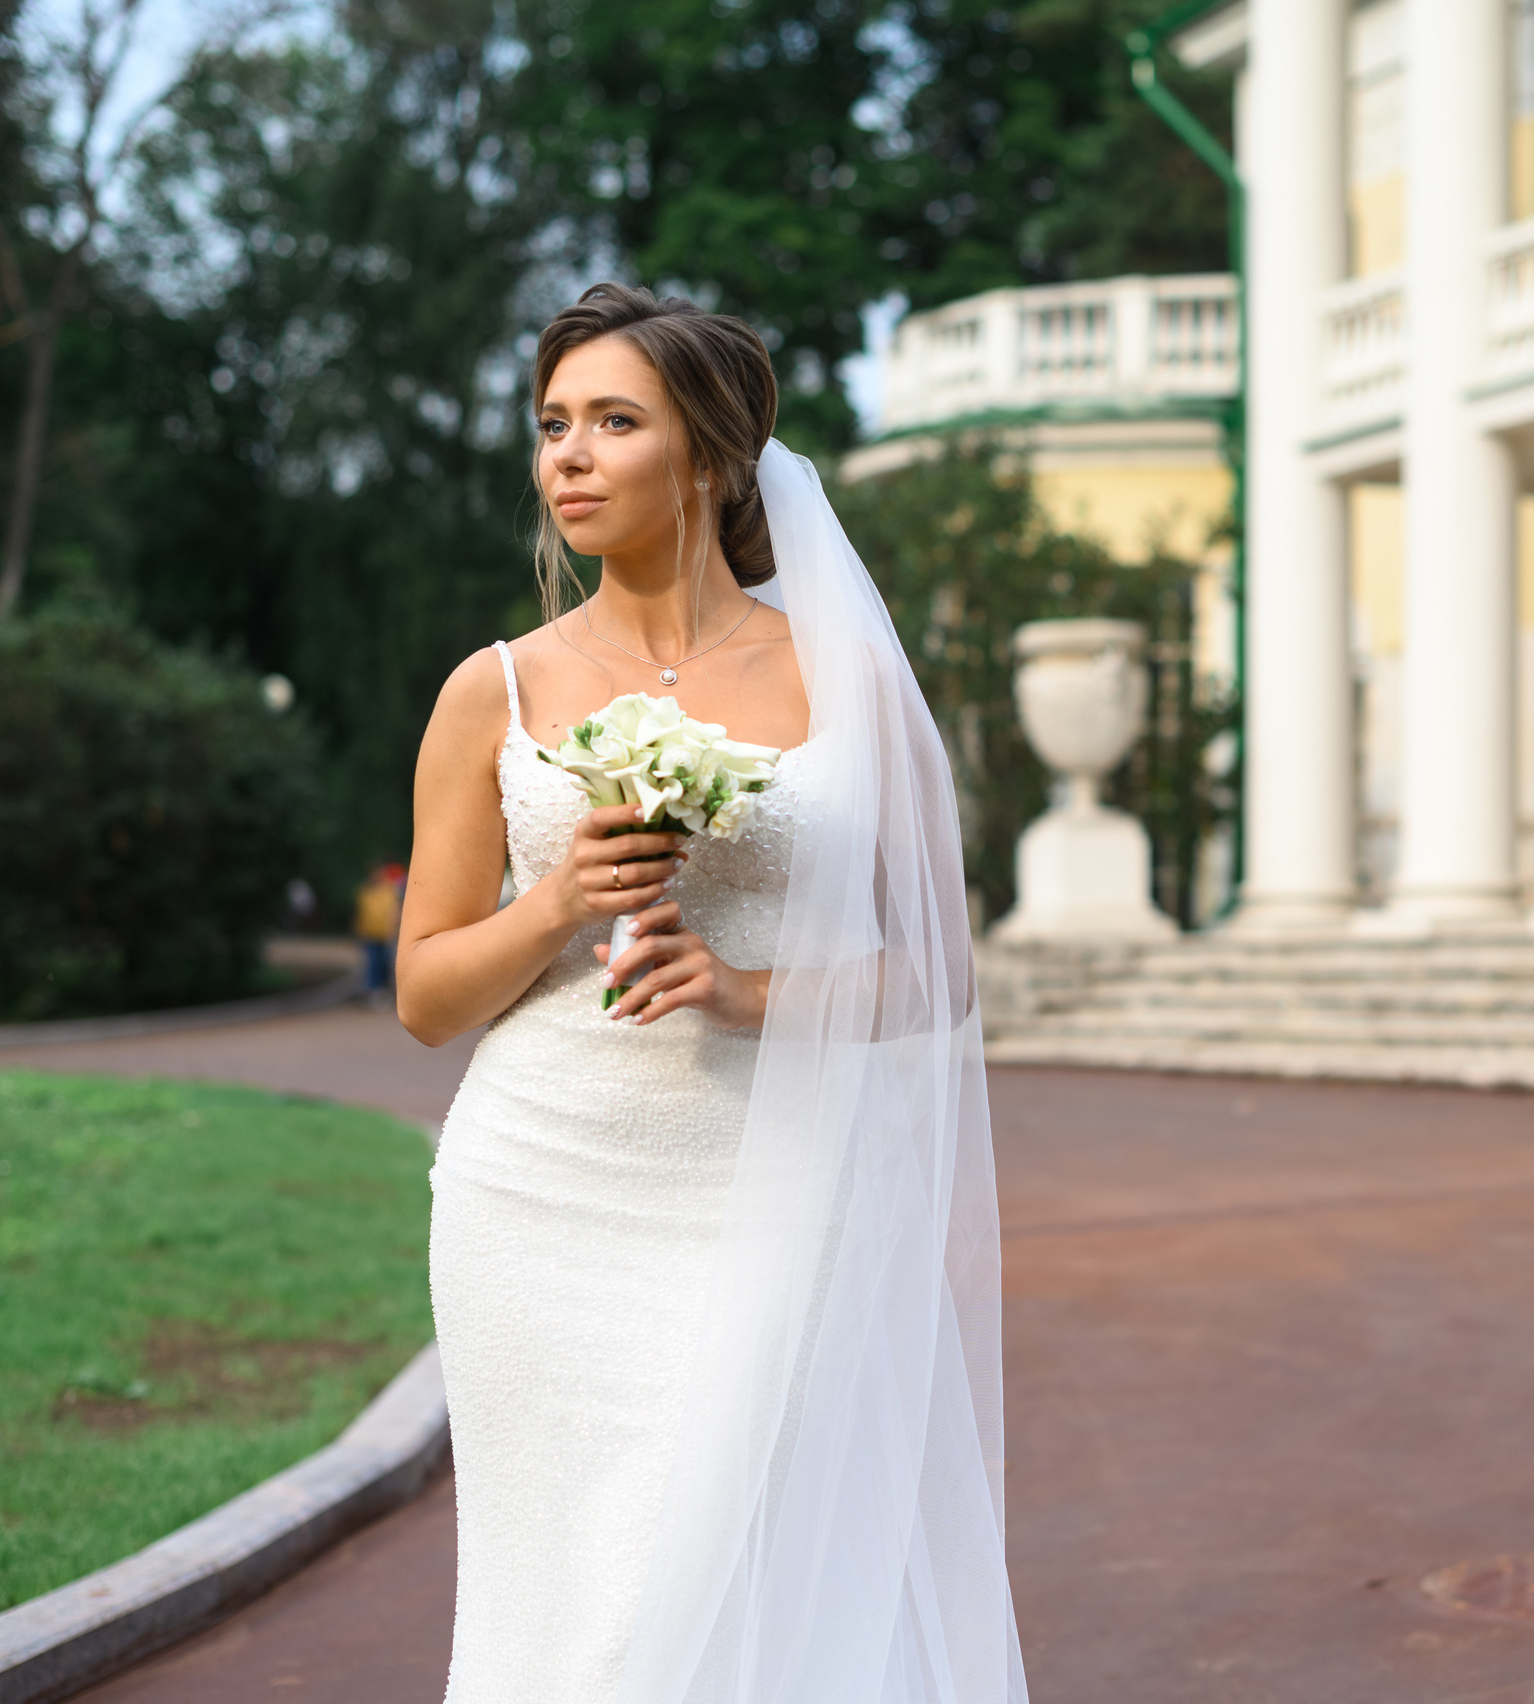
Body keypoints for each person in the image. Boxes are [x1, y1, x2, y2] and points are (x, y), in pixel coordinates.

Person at [395, 283, 1025, 1703]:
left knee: (737, 1569)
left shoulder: (852, 680)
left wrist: (747, 991)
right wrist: (559, 902)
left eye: (614, 421)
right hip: (540, 1194)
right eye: (552, 424)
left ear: (713, 459)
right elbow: (426, 996)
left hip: (775, 1186)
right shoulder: (490, 693)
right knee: (579, 1600)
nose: (567, 455)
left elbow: (938, 972)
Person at [352, 862, 404, 1000]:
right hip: (370, 934)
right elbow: (361, 912)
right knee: (372, 964)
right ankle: (372, 990)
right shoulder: (365, 891)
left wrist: (393, 929)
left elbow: (395, 911)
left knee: (385, 963)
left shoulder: (390, 890)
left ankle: (384, 990)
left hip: (386, 934)